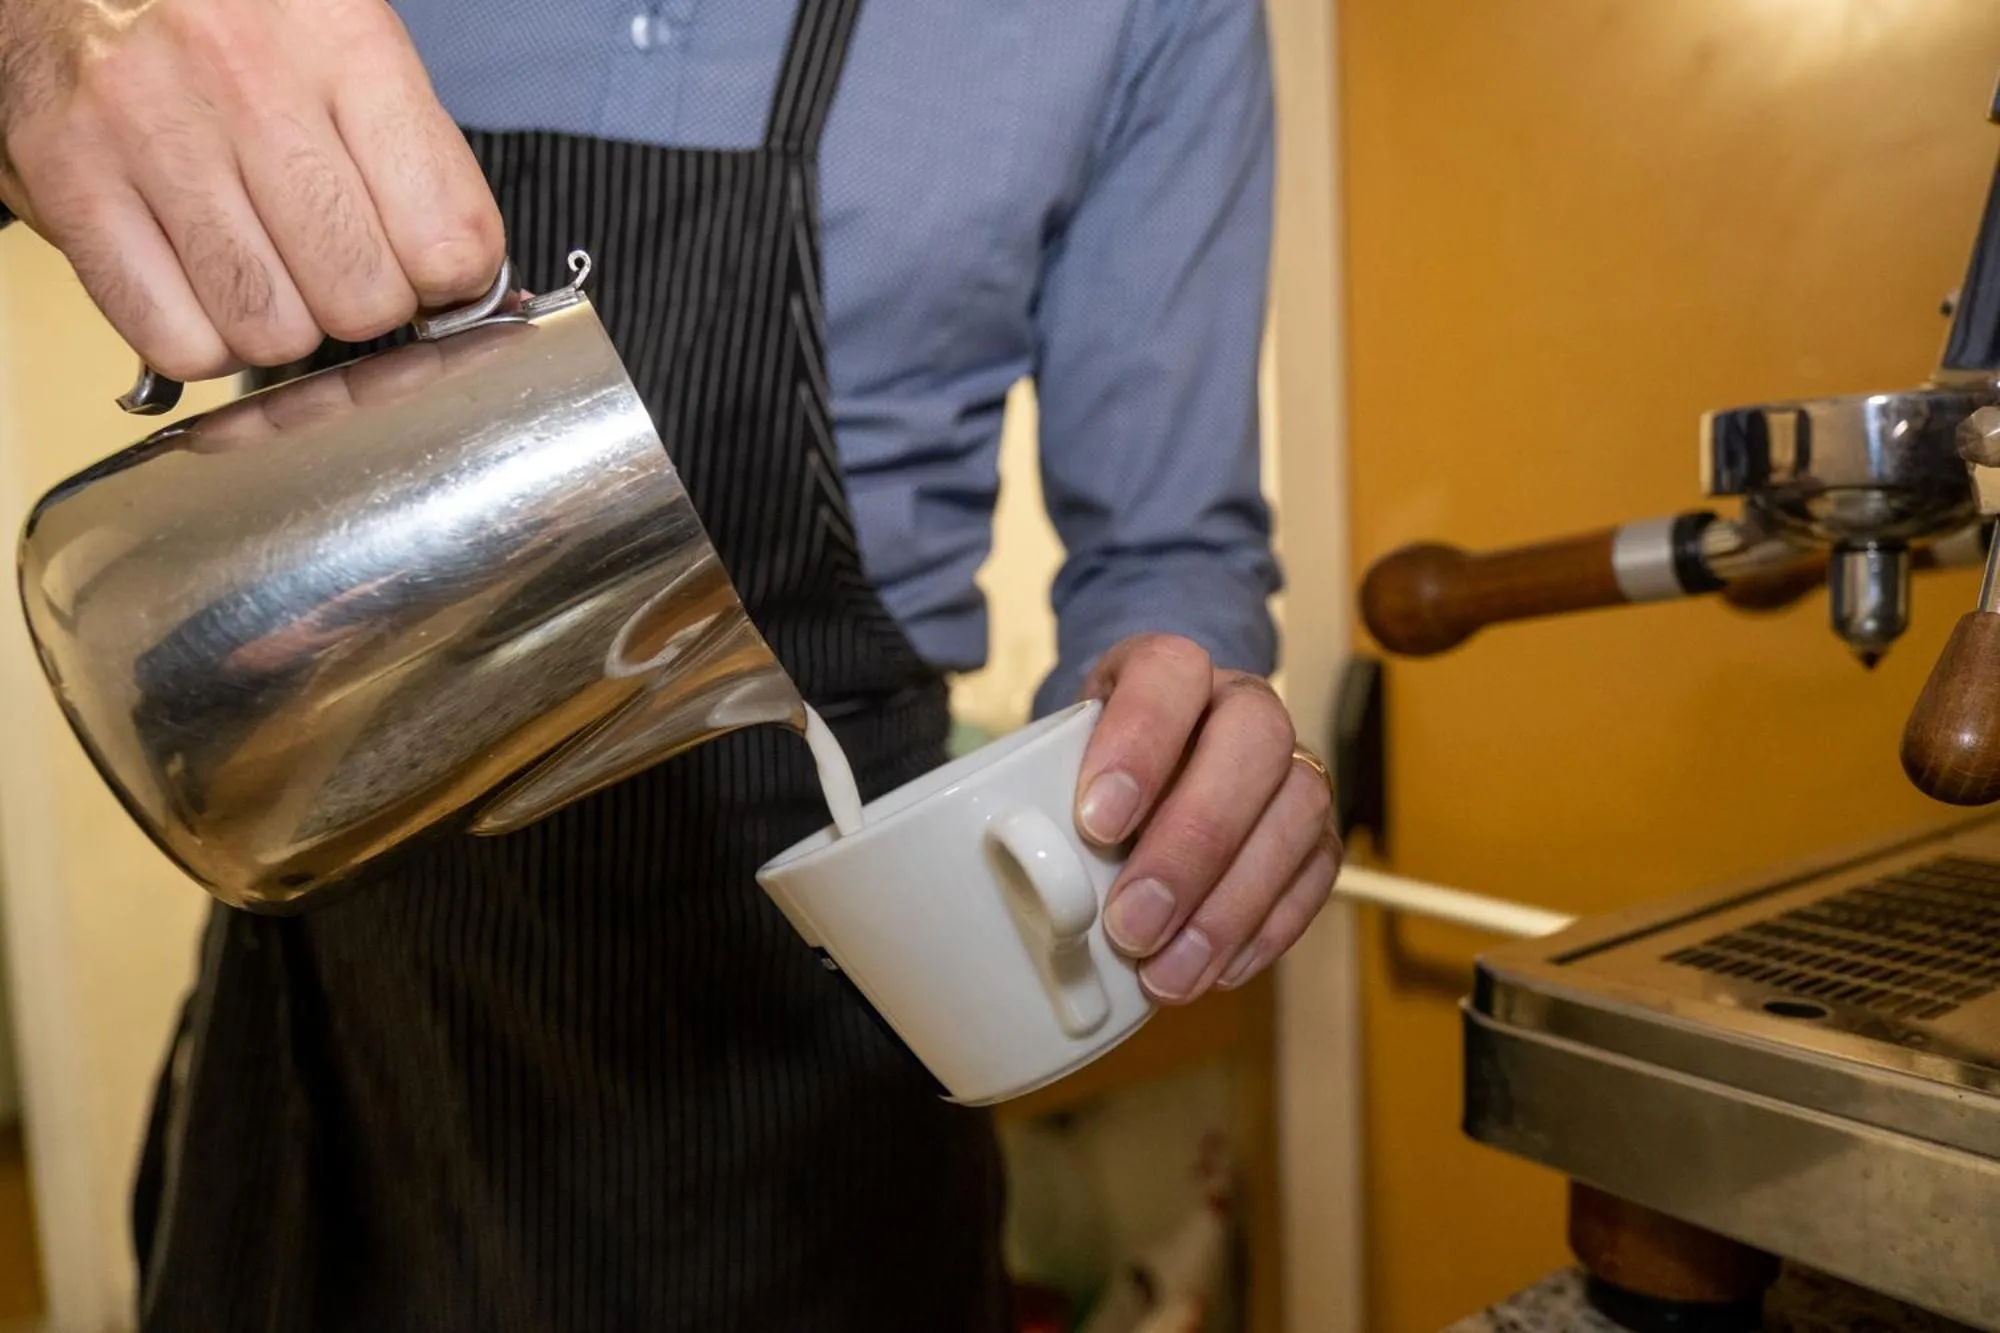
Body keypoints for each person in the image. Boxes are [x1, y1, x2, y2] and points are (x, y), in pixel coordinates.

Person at [0, 0, 1342, 1327]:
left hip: (823, 1066)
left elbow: (1169, 552)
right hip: (361, 1039)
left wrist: (1180, 724)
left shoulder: (1148, 19)